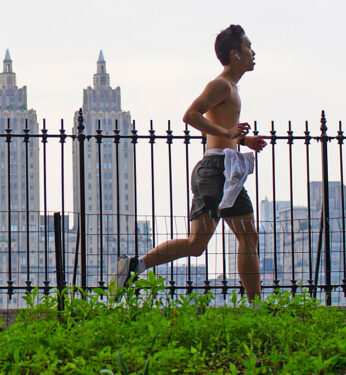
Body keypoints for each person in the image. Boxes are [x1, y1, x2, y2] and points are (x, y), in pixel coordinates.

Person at [111, 25, 268, 301]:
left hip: (215, 169)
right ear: (235, 54)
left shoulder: (231, 88)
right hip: (218, 171)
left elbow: (216, 129)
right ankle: (256, 308)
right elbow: (191, 115)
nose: (253, 53)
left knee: (197, 244)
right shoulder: (221, 85)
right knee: (248, 236)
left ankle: (135, 266)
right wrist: (229, 134)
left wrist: (242, 141)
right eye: (248, 47)